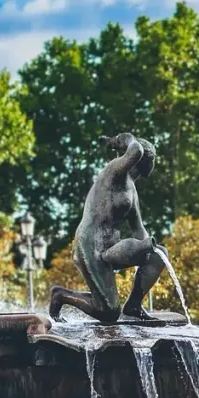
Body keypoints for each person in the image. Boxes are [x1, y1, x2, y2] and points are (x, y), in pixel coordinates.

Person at [49, 133, 167, 323]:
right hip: (90, 244)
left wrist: (147, 253)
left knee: (159, 253)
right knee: (109, 313)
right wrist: (122, 139)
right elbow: (135, 150)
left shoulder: (132, 190)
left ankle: (134, 306)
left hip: (112, 248)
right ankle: (61, 295)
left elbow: (139, 229)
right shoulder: (114, 171)